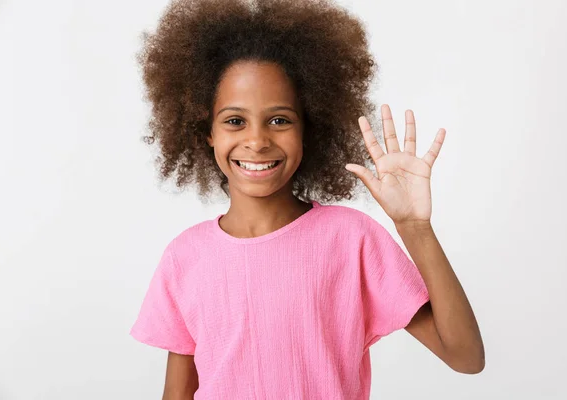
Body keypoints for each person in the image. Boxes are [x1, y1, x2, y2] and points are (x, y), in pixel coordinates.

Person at [130, 0, 485, 398]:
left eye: (279, 120)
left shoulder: (351, 239)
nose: (257, 140)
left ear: (308, 128)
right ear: (206, 131)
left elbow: (466, 357)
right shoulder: (185, 258)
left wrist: (415, 228)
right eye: (235, 121)